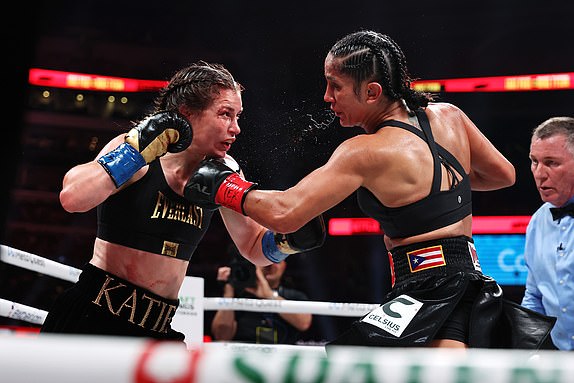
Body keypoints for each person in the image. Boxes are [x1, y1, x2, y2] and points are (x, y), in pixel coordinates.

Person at [186, 30, 556, 349]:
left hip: (431, 290)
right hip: (465, 282)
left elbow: (285, 212)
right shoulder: (449, 116)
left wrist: (222, 185)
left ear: (372, 91)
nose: (327, 97)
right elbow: (503, 174)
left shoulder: (365, 151)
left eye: (336, 86)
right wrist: (432, 188)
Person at [40, 61, 326, 342]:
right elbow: (72, 198)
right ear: (187, 113)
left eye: (238, 116)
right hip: (95, 316)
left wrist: (287, 242)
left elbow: (253, 247)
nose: (236, 128)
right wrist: (135, 151)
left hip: (158, 327)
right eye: (226, 114)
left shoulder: (225, 170)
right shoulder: (138, 153)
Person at [521, 116, 574, 351]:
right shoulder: (538, 222)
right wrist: (525, 349)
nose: (539, 174)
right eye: (534, 161)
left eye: (551, 163)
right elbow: (534, 296)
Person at [211, 245, 312, 344]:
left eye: (277, 260)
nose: (270, 265)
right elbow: (221, 336)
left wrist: (269, 295)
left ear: (284, 266)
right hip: (242, 356)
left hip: (282, 357)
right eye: (266, 261)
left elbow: (304, 323)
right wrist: (228, 292)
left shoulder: (294, 296)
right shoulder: (238, 295)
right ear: (254, 264)